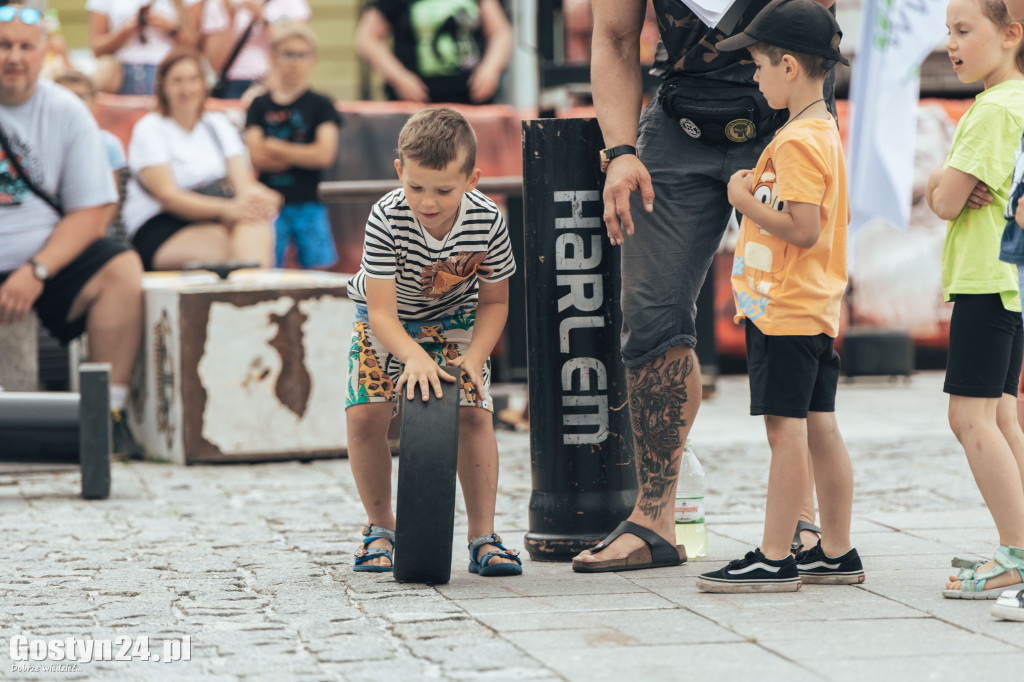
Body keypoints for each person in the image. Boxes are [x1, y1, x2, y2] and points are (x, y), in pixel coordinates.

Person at [572, 0, 837, 573]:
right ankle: (654, 520)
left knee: (796, 312)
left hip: (786, 110)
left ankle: (805, 524)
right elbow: (615, 38)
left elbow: (819, 20)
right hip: (678, 117)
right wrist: (619, 153)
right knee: (650, 313)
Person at [685, 0, 862, 592]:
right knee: (820, 427)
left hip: (786, 309)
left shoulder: (796, 142)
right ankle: (836, 549)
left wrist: (743, 201)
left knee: (785, 432)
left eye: (758, 66)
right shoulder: (821, 131)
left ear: (789, 66)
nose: (754, 79)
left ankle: (773, 554)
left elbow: (803, 229)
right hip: (811, 306)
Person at [344, 107, 522, 577]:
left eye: (443, 190)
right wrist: (413, 357)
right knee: (366, 414)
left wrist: (476, 356)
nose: (427, 202)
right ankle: (381, 529)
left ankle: (483, 536)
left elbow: (495, 304)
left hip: (456, 315)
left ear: (472, 179)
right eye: (416, 186)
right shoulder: (385, 217)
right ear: (400, 170)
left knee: (474, 413)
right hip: (386, 315)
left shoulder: (488, 220)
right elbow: (382, 312)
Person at [0, 5, 144, 454]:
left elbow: (92, 211)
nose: (14, 57)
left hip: (43, 263)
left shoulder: (66, 111)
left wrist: (36, 271)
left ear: (45, 53)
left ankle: (106, 418)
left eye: (25, 46)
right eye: (4, 45)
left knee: (121, 268)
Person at [925, 0, 1024, 599]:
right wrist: (951, 185)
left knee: (970, 417)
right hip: (1009, 279)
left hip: (985, 278)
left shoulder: (991, 110)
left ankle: (1013, 555)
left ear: (1011, 34)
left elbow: (942, 200)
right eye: (948, 32)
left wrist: (942, 180)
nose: (952, 43)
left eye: (964, 30)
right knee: (1003, 415)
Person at [120, 48, 280, 271]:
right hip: (161, 223)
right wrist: (226, 209)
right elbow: (168, 196)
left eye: (193, 80)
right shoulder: (149, 129)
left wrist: (262, 201)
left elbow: (243, 185)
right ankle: (254, 299)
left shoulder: (217, 125)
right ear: (163, 86)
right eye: (177, 81)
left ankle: (253, 298)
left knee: (256, 224)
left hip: (217, 215)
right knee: (228, 247)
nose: (186, 89)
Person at [245, 23, 340, 269]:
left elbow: (324, 155)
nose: (294, 62)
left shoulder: (322, 105)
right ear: (273, 57)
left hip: (310, 202)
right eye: (288, 54)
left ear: (313, 60)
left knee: (321, 272)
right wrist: (302, 154)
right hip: (269, 206)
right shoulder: (259, 105)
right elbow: (256, 156)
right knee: (266, 268)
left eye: (302, 55)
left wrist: (274, 146)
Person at [355, 0, 512, 104]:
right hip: (415, 106)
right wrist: (400, 78)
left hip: (472, 101)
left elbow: (499, 32)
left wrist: (490, 70)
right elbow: (368, 38)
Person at [201, 0, 312, 100]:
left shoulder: (291, 4)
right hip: (231, 84)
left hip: (273, 82)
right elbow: (214, 62)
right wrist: (230, 18)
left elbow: (294, 48)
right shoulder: (219, 3)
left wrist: (262, 18)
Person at [87, 0, 202, 95]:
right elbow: (97, 48)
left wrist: (171, 29)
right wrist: (125, 32)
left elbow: (195, 47)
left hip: (170, 72)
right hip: (121, 76)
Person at [53, 69, 127, 190]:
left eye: (80, 96)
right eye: (64, 96)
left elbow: (115, 196)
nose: (73, 103)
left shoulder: (109, 144)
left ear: (94, 101)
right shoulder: (40, 141)